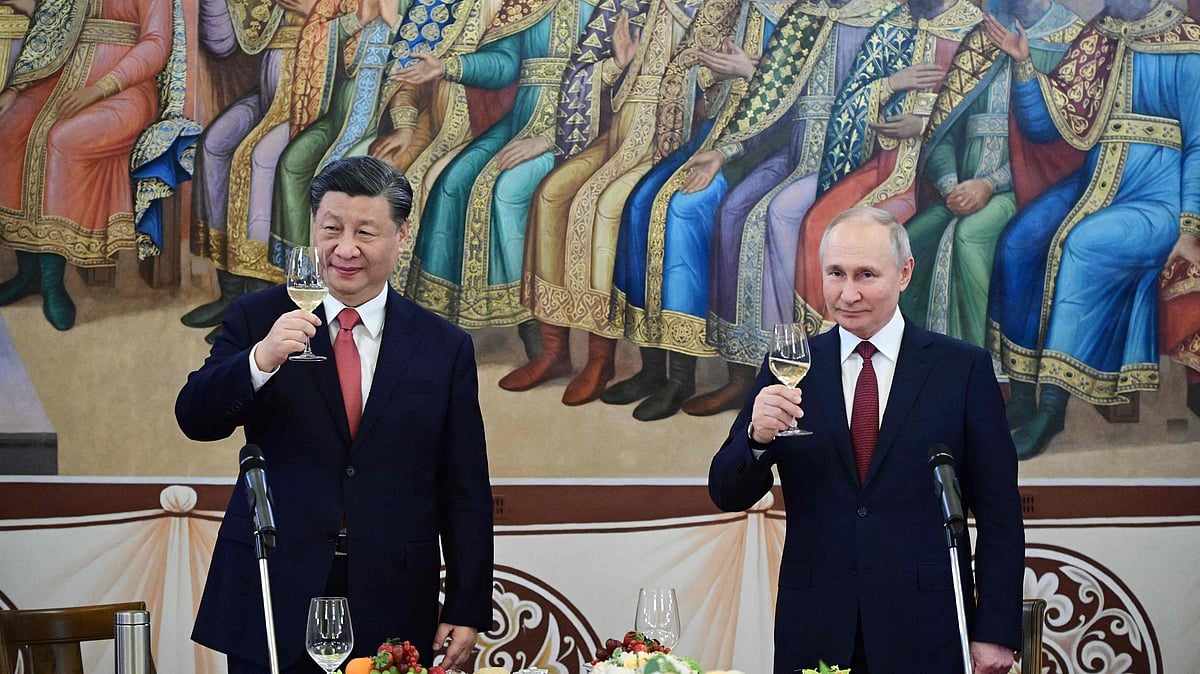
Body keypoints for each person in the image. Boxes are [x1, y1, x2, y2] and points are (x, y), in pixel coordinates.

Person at [176, 156, 493, 674]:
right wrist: (259, 360)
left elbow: (465, 488)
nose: (345, 249)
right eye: (331, 229)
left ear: (401, 234)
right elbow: (195, 417)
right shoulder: (259, 317)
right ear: (313, 229)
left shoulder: (443, 346)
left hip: (391, 590)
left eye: (365, 232)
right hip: (276, 584)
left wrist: (466, 603)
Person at [709, 207, 1023, 674]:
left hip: (924, 629)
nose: (847, 293)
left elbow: (999, 513)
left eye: (866, 275)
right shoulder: (791, 366)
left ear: (904, 273)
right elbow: (726, 491)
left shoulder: (961, 370)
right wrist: (755, 437)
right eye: (835, 274)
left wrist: (995, 632)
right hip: (815, 629)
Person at [983, 0, 1200, 458]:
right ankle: (1022, 397)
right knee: (1019, 242)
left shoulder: (1188, 45)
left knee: (1082, 245)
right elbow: (1045, 128)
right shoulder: (1099, 37)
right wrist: (1023, 64)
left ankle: (1053, 408)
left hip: (1160, 200)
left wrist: (1189, 226)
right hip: (1093, 187)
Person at [898, 0, 1083, 347]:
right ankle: (919, 364)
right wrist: (950, 184)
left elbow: (1059, 149)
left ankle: (980, 367)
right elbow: (943, 132)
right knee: (908, 242)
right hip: (961, 191)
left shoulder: (1070, 39)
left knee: (970, 237)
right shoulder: (981, 40)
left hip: (1027, 192)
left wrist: (988, 184)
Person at [0, 0, 171, 330]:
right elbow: (52, 19)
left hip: (124, 88)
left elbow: (157, 45)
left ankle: (52, 281)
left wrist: (99, 89)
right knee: (8, 132)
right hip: (60, 76)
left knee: (65, 139)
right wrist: (18, 87)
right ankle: (28, 274)